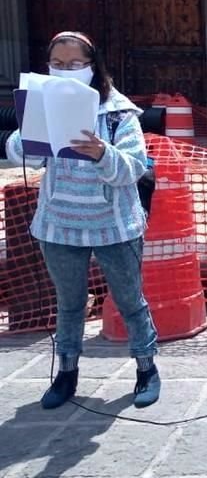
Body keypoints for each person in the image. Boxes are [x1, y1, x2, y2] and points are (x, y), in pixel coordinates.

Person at [6, 31, 161, 408]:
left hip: (113, 223)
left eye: (75, 64)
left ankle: (146, 368)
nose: (65, 71)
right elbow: (18, 153)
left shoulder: (119, 114)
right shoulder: (42, 104)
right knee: (70, 303)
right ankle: (67, 374)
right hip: (59, 224)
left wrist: (101, 153)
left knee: (130, 300)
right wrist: (27, 135)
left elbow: (133, 168)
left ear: (93, 67)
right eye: (57, 65)